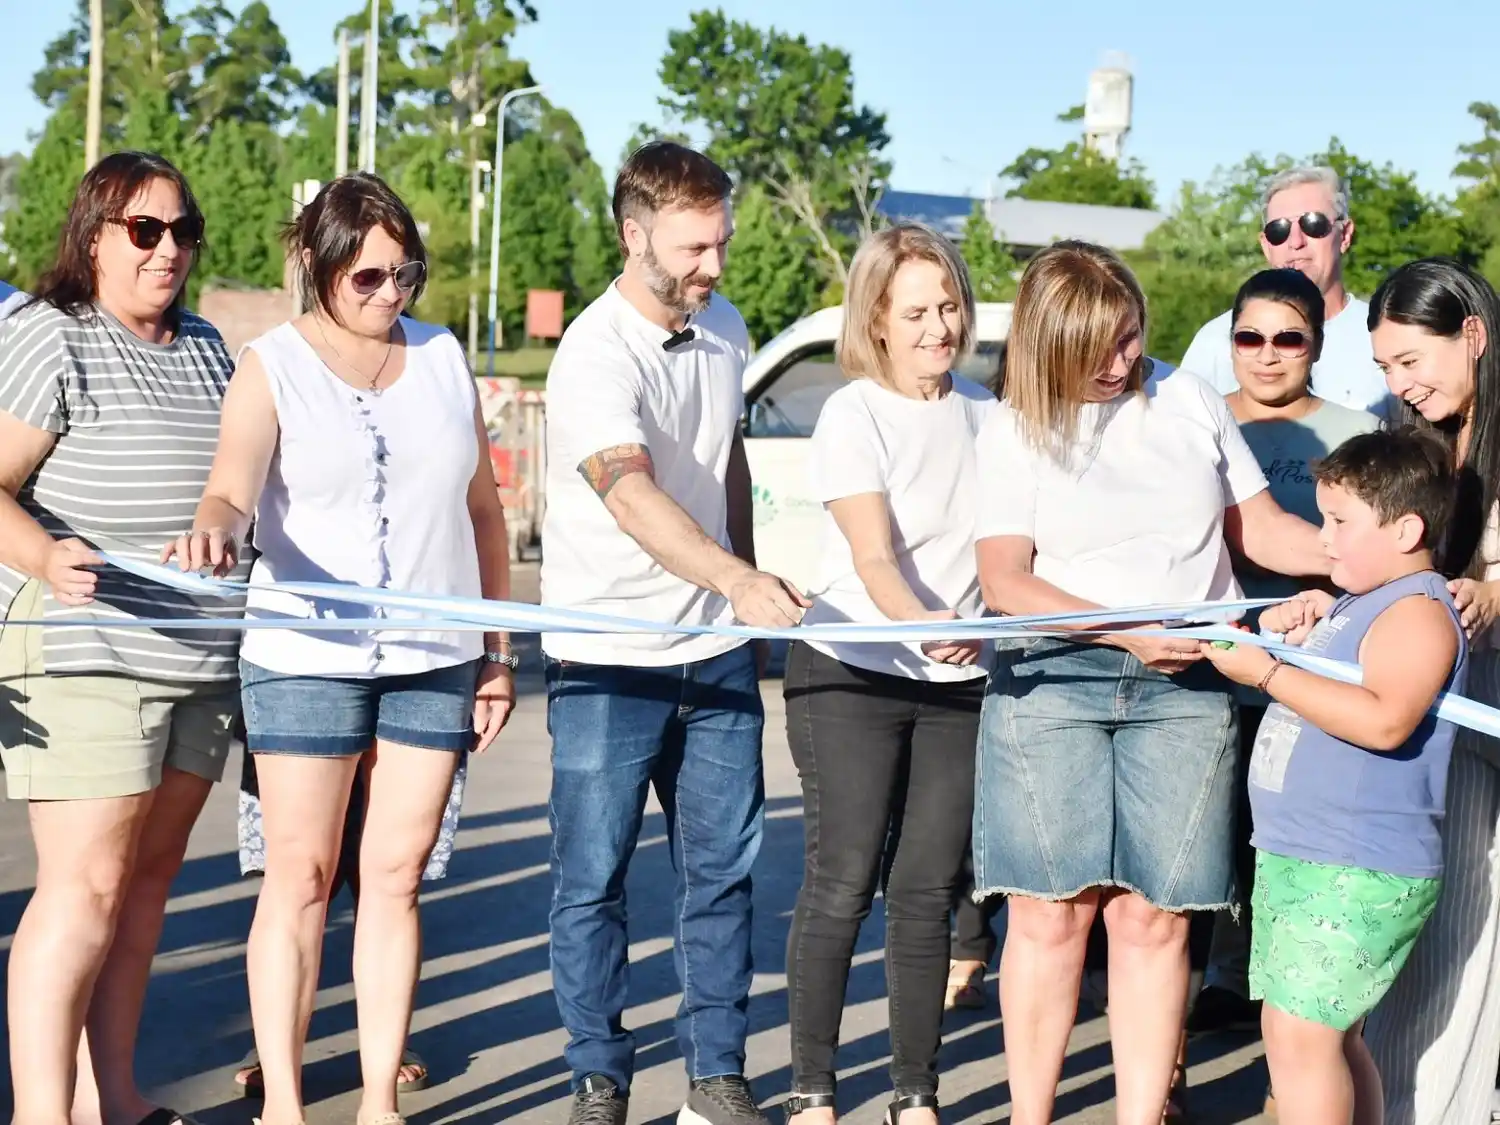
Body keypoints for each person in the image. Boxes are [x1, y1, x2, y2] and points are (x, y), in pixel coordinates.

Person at [167, 171, 515, 1125]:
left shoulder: (444, 357)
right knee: (302, 876)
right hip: (302, 656)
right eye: (367, 277)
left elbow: (485, 515)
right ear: (319, 269)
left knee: (397, 876)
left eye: (408, 273)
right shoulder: (271, 362)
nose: (391, 294)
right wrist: (213, 528)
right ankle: (283, 1100)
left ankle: (375, 1101)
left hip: (434, 652)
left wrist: (497, 651)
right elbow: (230, 489)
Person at [971, 240, 1328, 1125]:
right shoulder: (1014, 423)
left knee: (1157, 918)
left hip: (1185, 684)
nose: (1128, 361)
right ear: (1051, 350)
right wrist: (1125, 630)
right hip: (1053, 680)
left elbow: (1265, 532)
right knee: (1052, 918)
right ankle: (1032, 1116)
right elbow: (1006, 579)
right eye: (1103, 351)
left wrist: (1370, 560)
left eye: (1133, 336)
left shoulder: (1190, 398)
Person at [540, 141, 806, 1125]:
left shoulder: (726, 326)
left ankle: (717, 1078)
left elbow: (723, 459)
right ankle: (598, 1077)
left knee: (723, 877)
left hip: (715, 659)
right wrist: (736, 578)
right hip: (606, 662)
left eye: (722, 243)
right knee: (590, 881)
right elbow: (633, 494)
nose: (716, 267)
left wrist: (745, 585)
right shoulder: (592, 354)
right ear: (633, 233)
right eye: (695, 247)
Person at [0, 151, 245, 1125]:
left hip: (197, 664)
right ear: (94, 238)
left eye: (183, 230)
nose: (168, 249)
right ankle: (42, 1113)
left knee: (144, 894)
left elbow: (239, 484)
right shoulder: (53, 338)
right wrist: (47, 560)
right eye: (145, 230)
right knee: (86, 888)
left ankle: (118, 1101)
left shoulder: (211, 348)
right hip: (85, 659)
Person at [781, 223, 995, 1125]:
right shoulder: (853, 412)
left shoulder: (989, 411)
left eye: (947, 306)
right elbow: (874, 556)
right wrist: (923, 622)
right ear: (876, 315)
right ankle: (814, 1090)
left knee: (925, 893)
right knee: (842, 880)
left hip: (959, 685)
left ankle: (915, 1091)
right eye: (915, 311)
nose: (936, 327)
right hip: (851, 670)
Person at [1202, 426, 1468, 1125]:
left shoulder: (1417, 609)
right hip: (1312, 852)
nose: (1324, 538)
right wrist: (1306, 625)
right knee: (1330, 1037)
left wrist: (1266, 671)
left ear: (1407, 527)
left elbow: (1386, 719)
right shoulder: (1365, 600)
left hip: (1353, 861)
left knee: (1300, 1037)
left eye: (1341, 521)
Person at [1189, 270, 1380, 1041]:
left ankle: (1290, 1040)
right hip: (1204, 672)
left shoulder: (1353, 433)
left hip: (1314, 675)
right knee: (1207, 854)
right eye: (1249, 337)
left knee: (1290, 852)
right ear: (1229, 341)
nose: (1267, 355)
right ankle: (1195, 1025)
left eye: (1288, 338)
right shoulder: (1192, 419)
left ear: (1317, 346)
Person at [1359, 258, 1500, 1125]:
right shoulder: (1407, 436)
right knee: (1443, 941)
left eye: (1412, 360)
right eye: (1384, 368)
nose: (1399, 384)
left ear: (1474, 337)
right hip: (1447, 713)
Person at [1180, 166, 1394, 419]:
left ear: (1345, 234)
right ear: (1265, 245)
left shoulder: (1385, 335)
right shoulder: (1214, 341)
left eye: (1313, 224)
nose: (1295, 242)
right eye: (1278, 230)